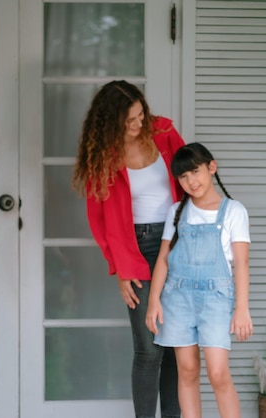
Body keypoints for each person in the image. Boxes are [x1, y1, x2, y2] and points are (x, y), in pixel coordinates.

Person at [73, 80, 184, 418]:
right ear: (110, 123)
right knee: (149, 350)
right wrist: (120, 269)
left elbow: (190, 177)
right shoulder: (102, 156)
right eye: (129, 122)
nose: (138, 125)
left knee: (175, 347)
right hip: (134, 249)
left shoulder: (163, 132)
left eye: (140, 115)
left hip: (177, 242)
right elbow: (99, 222)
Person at [145, 142, 253, 418]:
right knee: (188, 371)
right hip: (177, 298)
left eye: (195, 171)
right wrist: (154, 300)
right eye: (183, 176)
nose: (191, 181)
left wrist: (242, 309)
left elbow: (241, 263)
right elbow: (163, 260)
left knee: (218, 374)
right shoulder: (176, 212)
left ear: (211, 167)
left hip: (216, 300)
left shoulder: (234, 211)